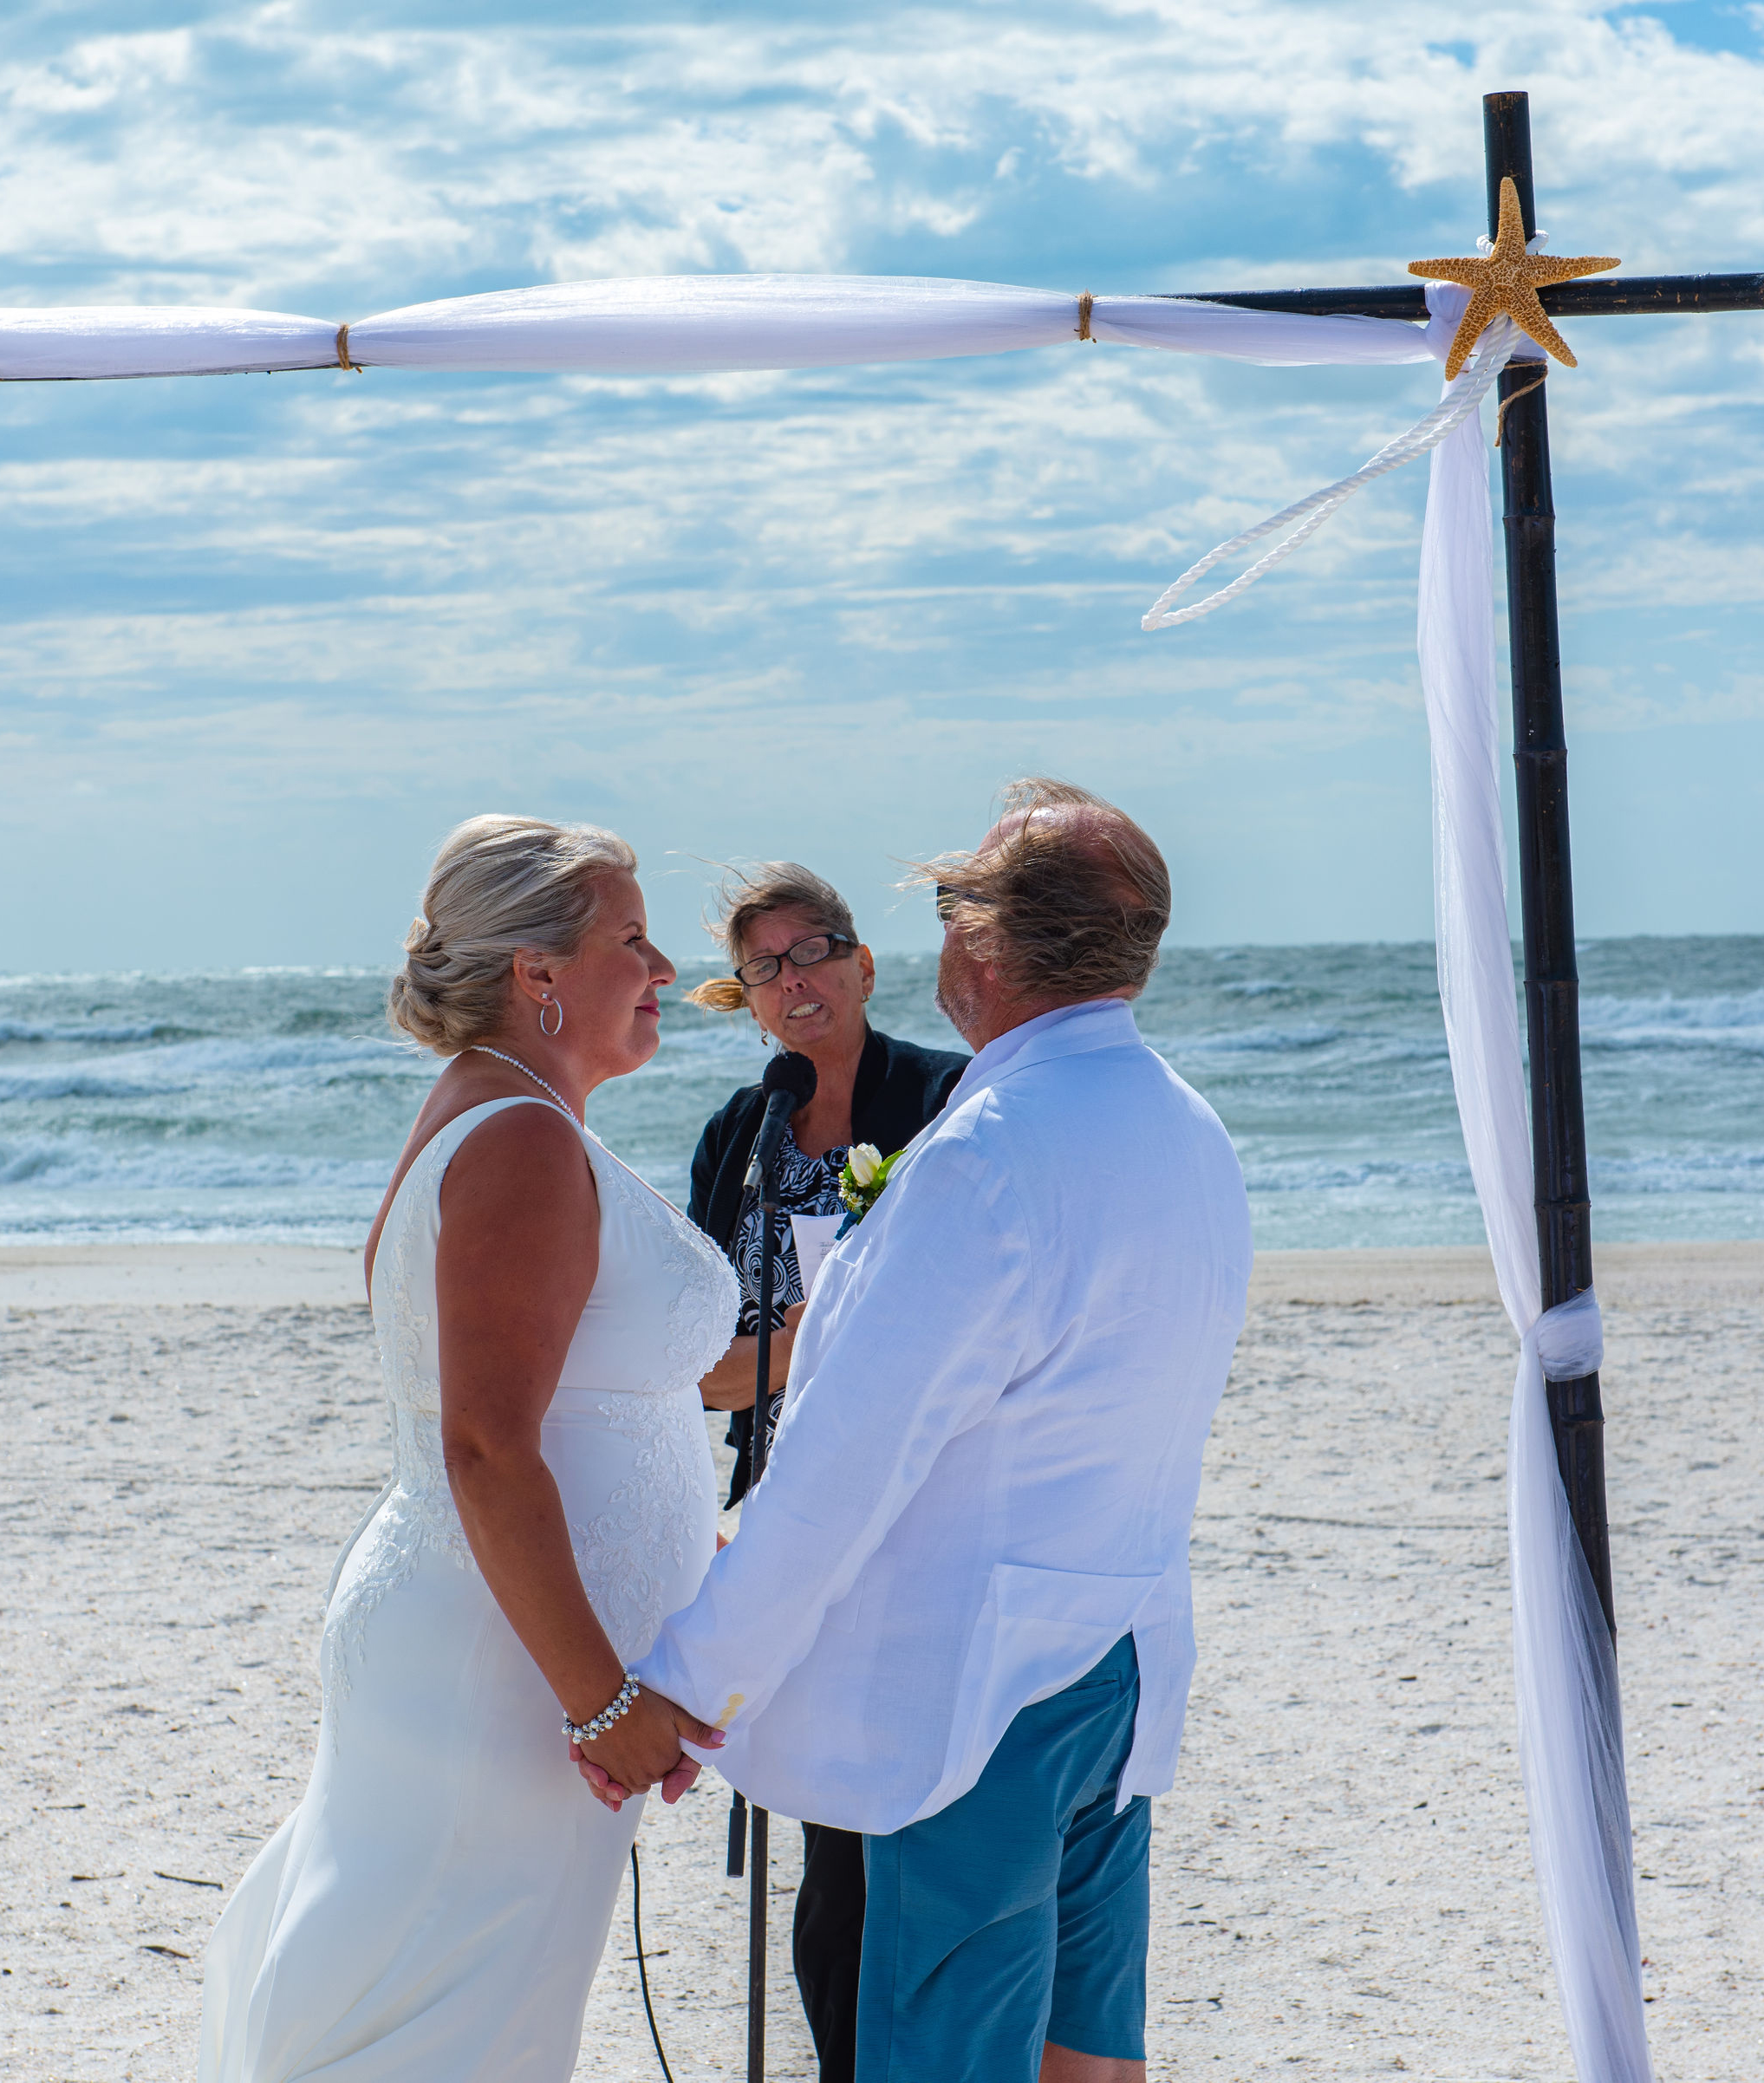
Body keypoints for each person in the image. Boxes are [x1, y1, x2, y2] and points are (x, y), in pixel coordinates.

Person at [598, 778, 1253, 2083]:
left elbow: (844, 1469)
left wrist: (683, 1686)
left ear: (982, 944)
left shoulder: (986, 1159)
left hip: (985, 1703)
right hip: (1116, 1663)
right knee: (1085, 2062)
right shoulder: (1190, 1128)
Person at [199, 815, 736, 2083]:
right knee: (446, 2021)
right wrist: (600, 1701)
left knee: (455, 2005)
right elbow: (488, 1445)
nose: (662, 970)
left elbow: (626, 1381)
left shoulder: (516, 1119)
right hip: (510, 1675)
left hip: (501, 1655)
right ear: (538, 975)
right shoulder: (521, 1144)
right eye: (631, 940)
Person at [680, 863, 967, 2082]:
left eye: (817, 950)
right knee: (834, 1851)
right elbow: (699, 1368)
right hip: (791, 1519)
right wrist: (814, 1338)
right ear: (745, 1001)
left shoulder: (950, 1100)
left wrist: (816, 1340)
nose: (797, 981)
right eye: (767, 967)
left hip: (934, 1510)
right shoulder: (738, 1138)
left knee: (932, 1846)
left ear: (862, 965)